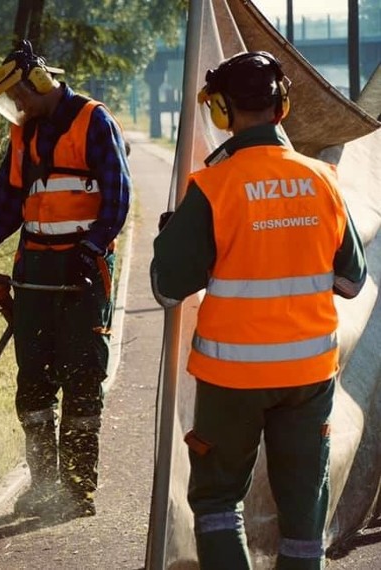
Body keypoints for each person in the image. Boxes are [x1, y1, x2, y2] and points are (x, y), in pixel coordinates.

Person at [151, 51, 367, 569]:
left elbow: (167, 288)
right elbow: (352, 282)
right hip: (307, 376)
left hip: (231, 379)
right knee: (302, 514)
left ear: (222, 112)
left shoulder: (212, 186)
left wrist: (170, 237)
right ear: (283, 107)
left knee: (219, 502)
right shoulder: (323, 180)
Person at [0, 39, 131, 519]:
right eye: (10, 103)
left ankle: (78, 489)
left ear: (39, 82)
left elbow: (118, 196)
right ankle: (44, 488)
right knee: (34, 384)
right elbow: (4, 205)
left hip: (84, 271)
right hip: (36, 273)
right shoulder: (23, 137)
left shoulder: (93, 121)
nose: (16, 108)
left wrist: (92, 248)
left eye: (19, 97)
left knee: (83, 380)